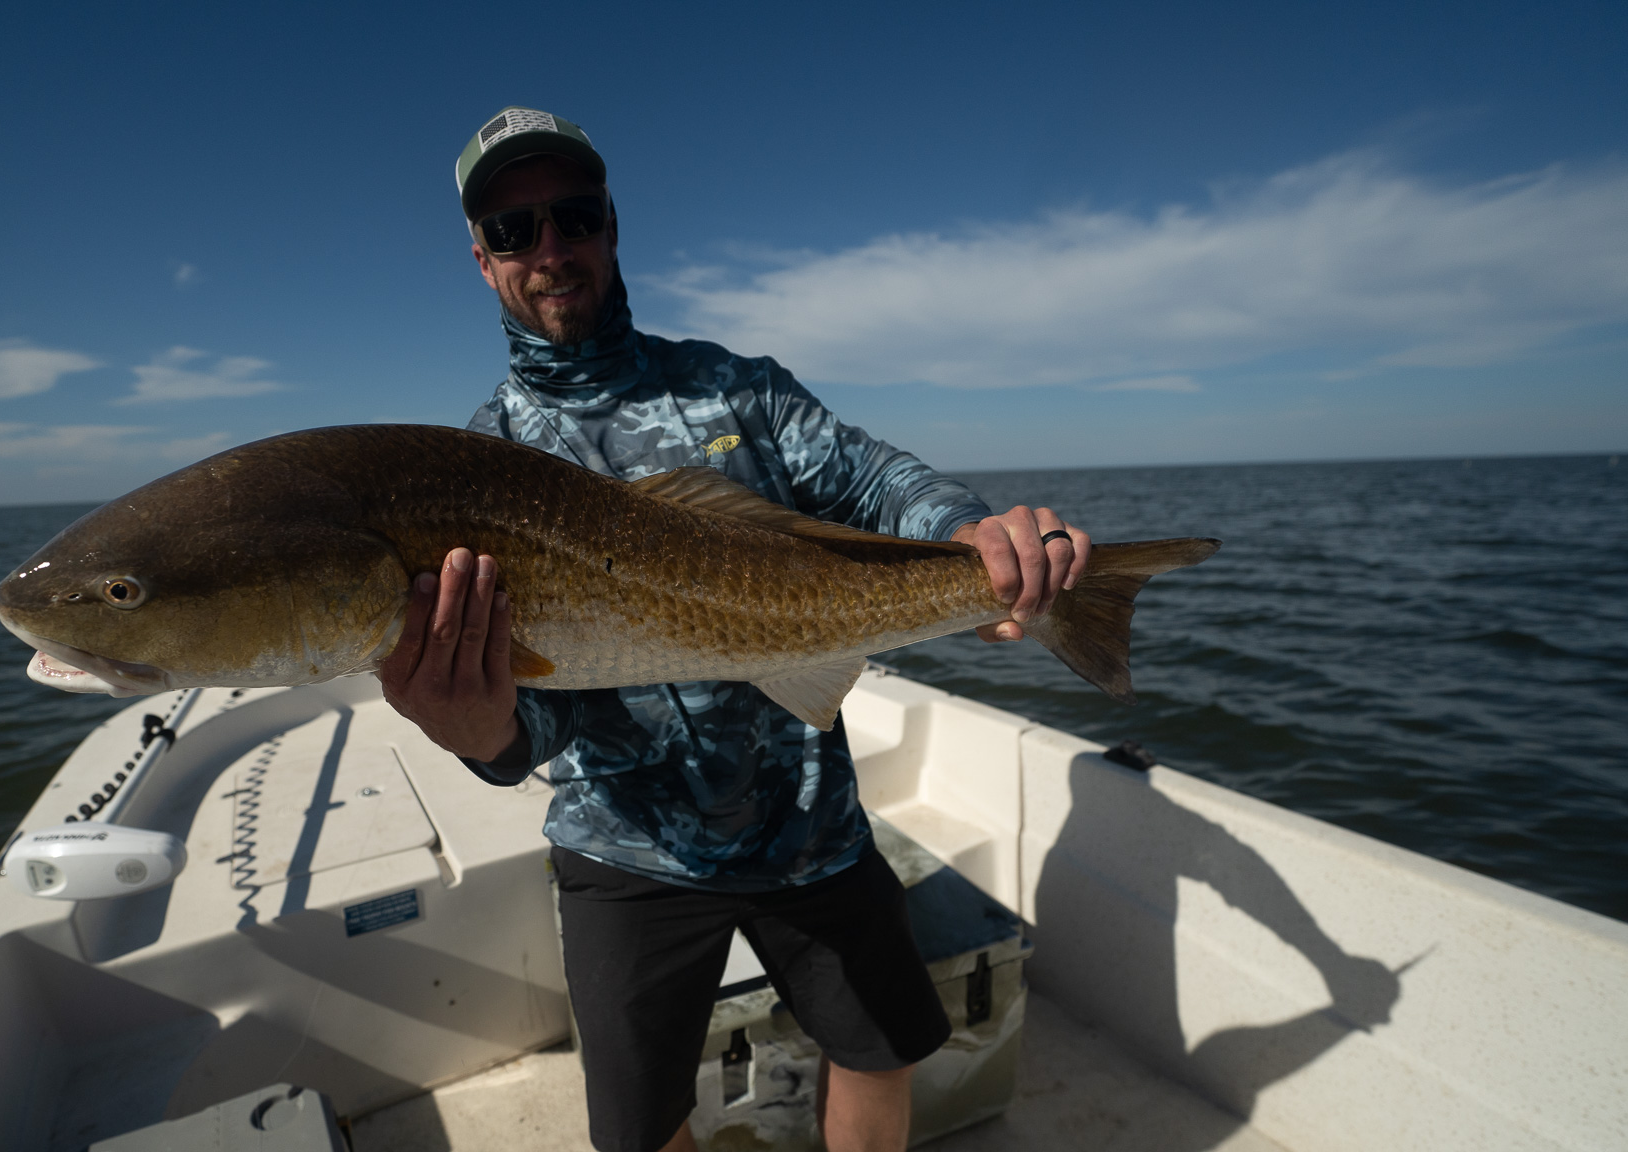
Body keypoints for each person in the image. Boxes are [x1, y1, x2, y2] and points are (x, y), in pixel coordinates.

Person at [377, 107, 1093, 1152]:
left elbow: (870, 478)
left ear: (611, 226)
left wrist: (967, 535)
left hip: (810, 820)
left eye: (571, 217)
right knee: (638, 1126)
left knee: (878, 1051)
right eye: (513, 231)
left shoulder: (735, 388)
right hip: (624, 845)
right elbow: (524, 730)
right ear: (480, 262)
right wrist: (477, 732)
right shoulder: (477, 464)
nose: (549, 250)